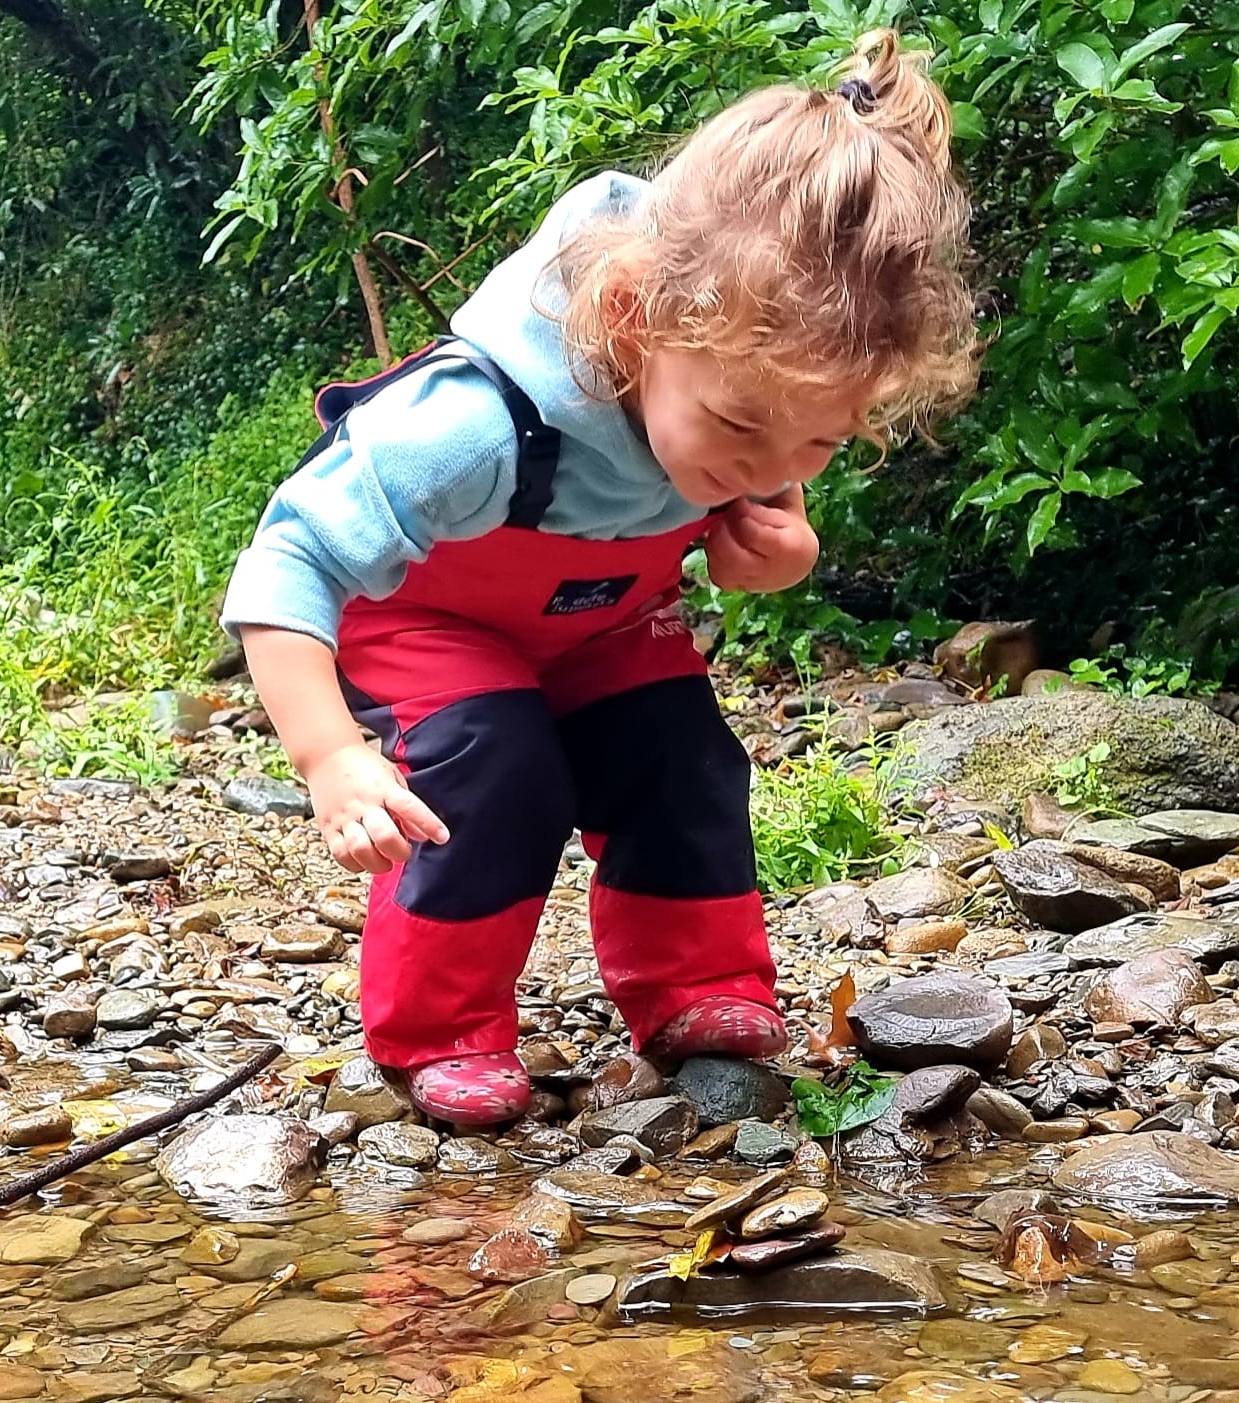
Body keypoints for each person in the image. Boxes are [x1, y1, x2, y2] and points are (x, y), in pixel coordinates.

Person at [220, 29, 979, 1127]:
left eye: (815, 445)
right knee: (494, 762)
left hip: (605, 619)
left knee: (680, 754)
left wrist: (782, 552)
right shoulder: (476, 426)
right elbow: (285, 559)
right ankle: (438, 1028)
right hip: (422, 613)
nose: (767, 468)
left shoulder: (750, 399)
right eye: (736, 428)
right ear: (633, 323)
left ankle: (697, 988)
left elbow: (764, 508)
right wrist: (332, 755)